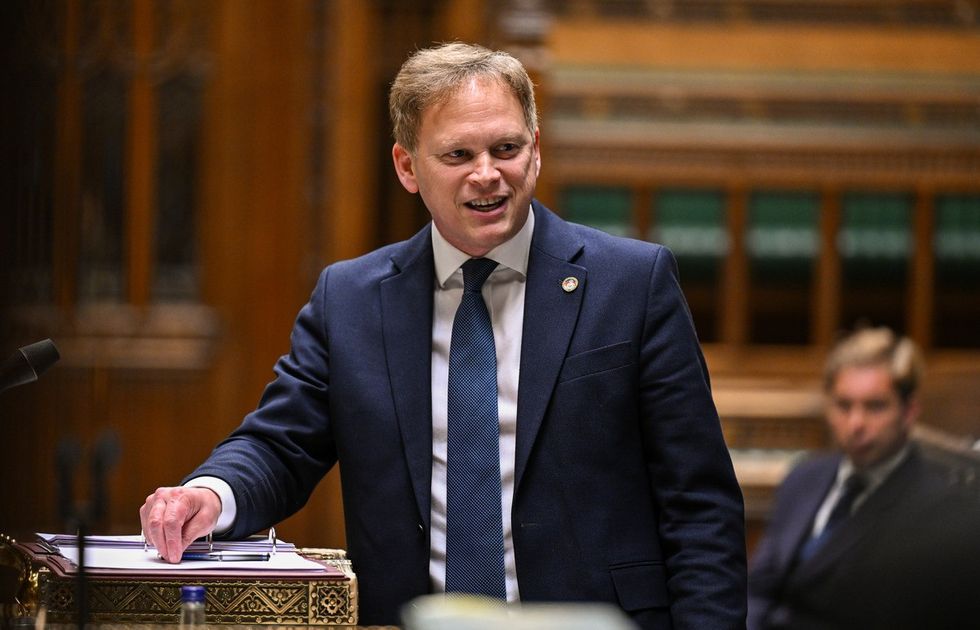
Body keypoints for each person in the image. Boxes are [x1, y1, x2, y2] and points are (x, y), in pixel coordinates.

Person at [140, 42, 747, 628]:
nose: (488, 175)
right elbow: (280, 445)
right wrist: (210, 494)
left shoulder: (631, 284)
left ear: (536, 150)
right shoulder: (351, 300)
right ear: (407, 166)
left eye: (506, 148)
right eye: (458, 155)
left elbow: (699, 504)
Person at [747, 327, 980, 630]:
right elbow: (758, 589)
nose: (856, 423)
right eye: (844, 405)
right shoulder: (804, 478)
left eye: (875, 406)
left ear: (909, 411)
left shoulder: (940, 507)